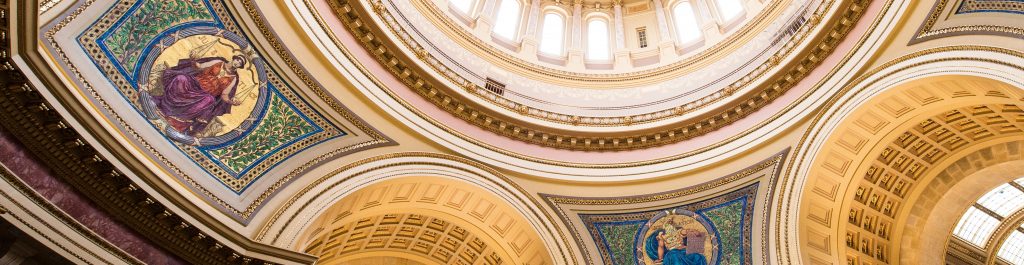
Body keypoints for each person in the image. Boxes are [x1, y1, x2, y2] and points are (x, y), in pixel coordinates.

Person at [152, 54, 246, 136]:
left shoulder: (233, 79)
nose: (237, 63)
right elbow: (200, 66)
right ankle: (166, 106)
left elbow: (224, 94)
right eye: (237, 60)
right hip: (194, 83)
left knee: (210, 99)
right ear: (234, 59)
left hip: (204, 94)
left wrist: (231, 101)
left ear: (240, 66)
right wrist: (193, 59)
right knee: (181, 78)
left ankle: (178, 118)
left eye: (240, 63)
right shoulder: (219, 62)